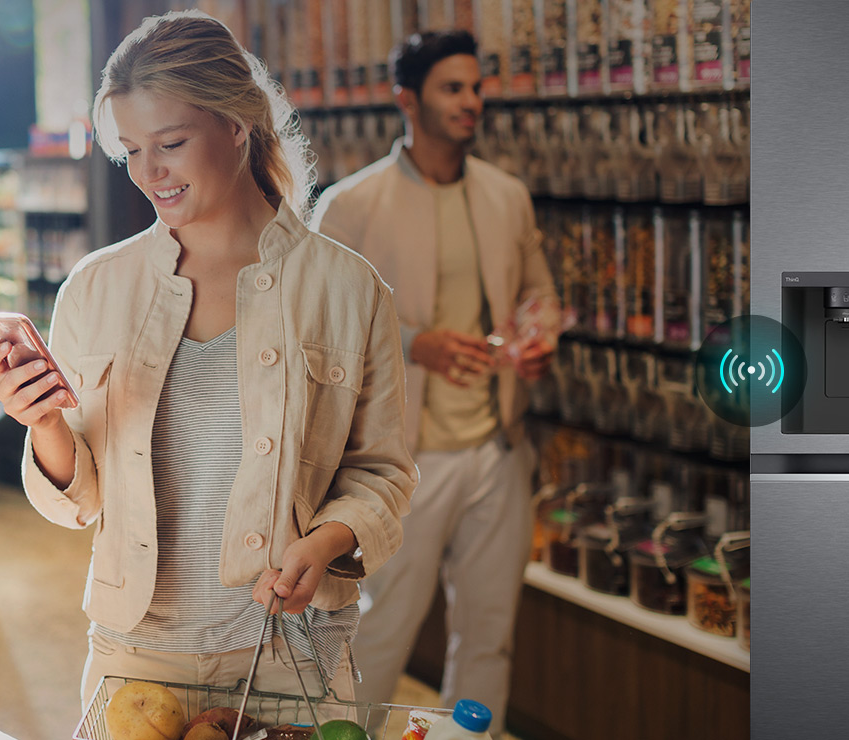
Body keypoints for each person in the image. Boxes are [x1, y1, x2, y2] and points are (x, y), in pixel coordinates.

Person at [0, 10, 417, 712]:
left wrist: (328, 540)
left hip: (289, 655)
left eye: (171, 143)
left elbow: (383, 474)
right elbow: (81, 501)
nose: (149, 173)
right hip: (135, 655)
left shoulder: (347, 288)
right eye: (130, 151)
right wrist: (44, 425)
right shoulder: (95, 288)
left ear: (236, 124)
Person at [310, 30, 560, 732]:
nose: (471, 102)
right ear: (406, 101)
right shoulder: (351, 206)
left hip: (497, 450)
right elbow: (316, 329)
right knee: (380, 630)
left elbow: (539, 294)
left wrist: (540, 339)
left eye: (476, 88)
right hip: (401, 464)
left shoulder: (507, 196)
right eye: (453, 88)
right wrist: (418, 344)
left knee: (488, 638)